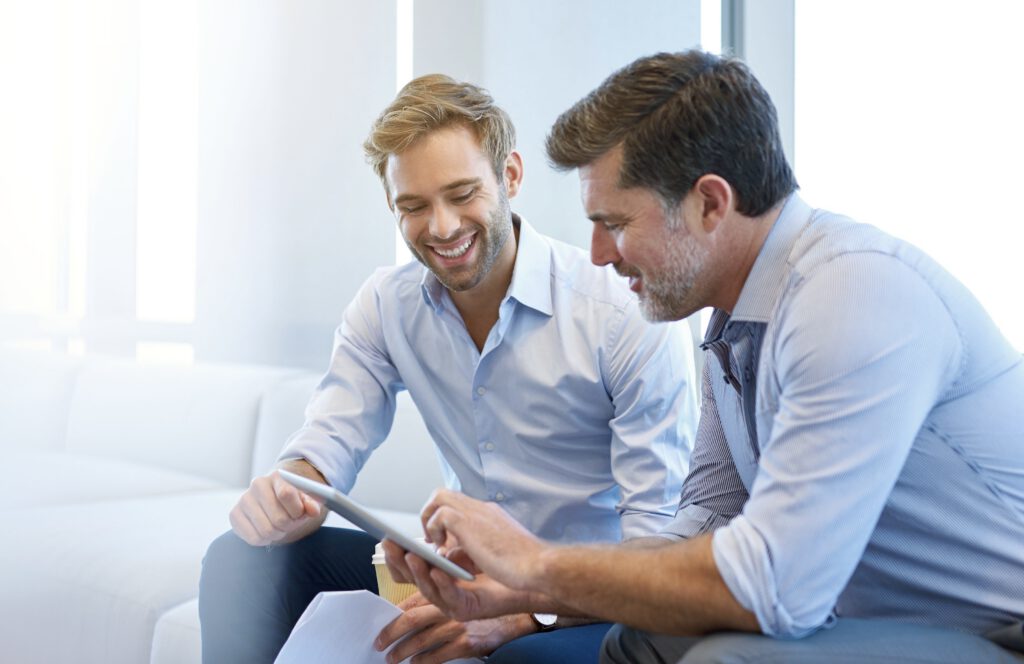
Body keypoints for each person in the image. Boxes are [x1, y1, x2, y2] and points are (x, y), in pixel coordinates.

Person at [384, 51, 1024, 663]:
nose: (599, 254)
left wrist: (535, 564)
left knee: (729, 658)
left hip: (997, 633)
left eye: (615, 223)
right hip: (867, 624)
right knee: (640, 640)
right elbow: (701, 528)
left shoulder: (851, 296)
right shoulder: (736, 327)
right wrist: (517, 591)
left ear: (711, 202)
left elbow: (772, 585)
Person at [198, 74, 698, 664]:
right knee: (241, 561)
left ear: (510, 176)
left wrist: (520, 610)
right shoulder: (387, 305)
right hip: (460, 576)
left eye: (462, 194)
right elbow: (327, 442)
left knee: (520, 660)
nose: (441, 227)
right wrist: (289, 492)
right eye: (413, 206)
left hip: (592, 597)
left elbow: (656, 548)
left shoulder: (621, 314)